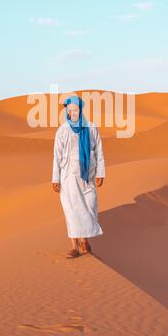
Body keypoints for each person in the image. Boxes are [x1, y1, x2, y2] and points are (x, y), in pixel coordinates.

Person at [52, 95, 105, 258]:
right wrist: (55, 178)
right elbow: (57, 156)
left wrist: (100, 172)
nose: (73, 113)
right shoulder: (62, 130)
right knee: (72, 211)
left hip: (87, 176)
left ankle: (84, 239)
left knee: (90, 207)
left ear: (80, 110)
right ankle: (75, 246)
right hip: (68, 177)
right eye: (70, 111)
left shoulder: (91, 128)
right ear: (67, 112)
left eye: (75, 110)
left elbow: (99, 151)